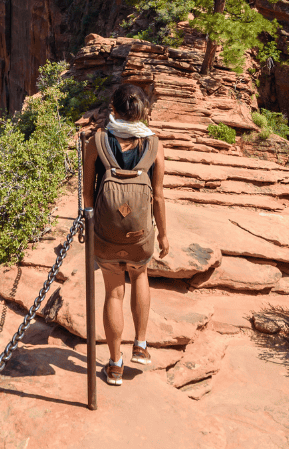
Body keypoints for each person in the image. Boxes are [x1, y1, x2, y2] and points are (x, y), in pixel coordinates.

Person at [82, 82, 169, 386]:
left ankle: (115, 365)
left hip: (107, 235)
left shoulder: (98, 141)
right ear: (144, 112)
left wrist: (89, 229)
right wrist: (163, 236)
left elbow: (88, 195)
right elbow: (157, 196)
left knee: (113, 293)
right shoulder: (154, 144)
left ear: (113, 109)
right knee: (140, 276)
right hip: (140, 234)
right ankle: (141, 346)